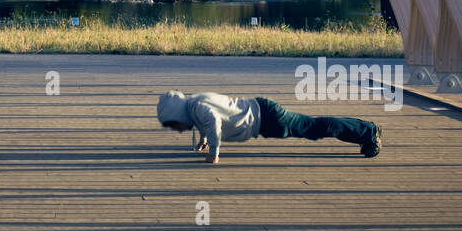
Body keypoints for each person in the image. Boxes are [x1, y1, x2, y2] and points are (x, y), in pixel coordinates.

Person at [156, 90, 381, 163]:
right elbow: (207, 123)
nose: (177, 130)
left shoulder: (197, 108)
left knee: (316, 128)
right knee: (315, 127)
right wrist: (204, 142)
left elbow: (213, 122)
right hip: (263, 114)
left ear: (177, 114)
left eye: (174, 125)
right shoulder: (195, 103)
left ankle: (369, 131)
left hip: (268, 118)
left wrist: (213, 154)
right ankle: (366, 131)